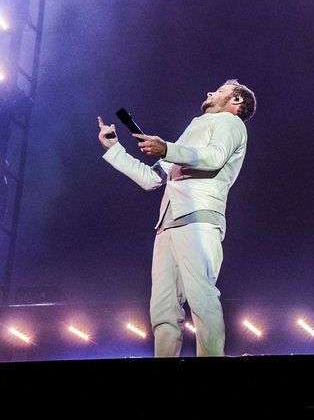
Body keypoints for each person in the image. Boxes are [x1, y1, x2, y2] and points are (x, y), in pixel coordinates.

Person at [97, 79, 255, 357]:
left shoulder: (231, 124)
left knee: (201, 296)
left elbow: (214, 157)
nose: (209, 92)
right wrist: (114, 149)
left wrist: (167, 149)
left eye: (219, 90)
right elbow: (151, 178)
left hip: (199, 218)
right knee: (163, 307)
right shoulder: (194, 129)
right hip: (169, 222)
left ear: (236, 101)